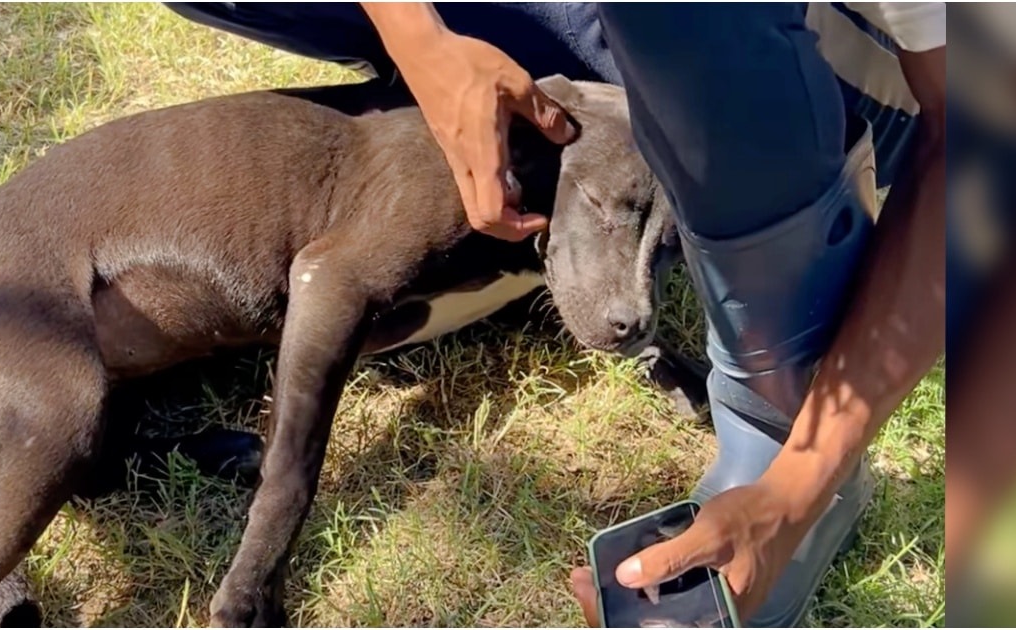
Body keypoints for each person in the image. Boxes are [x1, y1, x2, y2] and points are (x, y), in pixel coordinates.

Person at [163, 3, 946, 626]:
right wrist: (423, 45)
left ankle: (771, 411)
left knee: (687, 30)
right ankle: (576, 139)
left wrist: (798, 485)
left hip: (864, 79)